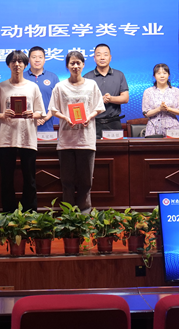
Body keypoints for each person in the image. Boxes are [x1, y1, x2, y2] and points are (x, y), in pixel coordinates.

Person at [0, 50, 45, 212]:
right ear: (8, 65)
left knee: (30, 178)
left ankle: (30, 212)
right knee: (6, 179)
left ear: (25, 65)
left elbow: (41, 112)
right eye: (13, 61)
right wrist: (3, 115)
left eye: (20, 62)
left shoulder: (33, 87)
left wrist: (32, 114)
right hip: (7, 139)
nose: (17, 64)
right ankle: (8, 212)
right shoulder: (0, 87)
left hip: (28, 138)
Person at [49, 51, 105, 212]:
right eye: (72, 63)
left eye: (78, 63)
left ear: (83, 65)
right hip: (66, 140)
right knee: (67, 181)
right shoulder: (60, 86)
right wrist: (65, 118)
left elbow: (99, 107)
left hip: (86, 139)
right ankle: (69, 213)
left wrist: (89, 117)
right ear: (67, 66)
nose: (75, 66)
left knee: (86, 181)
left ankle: (85, 212)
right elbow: (53, 109)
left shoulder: (91, 85)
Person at [84, 43, 129, 139]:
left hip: (114, 123)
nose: (102, 58)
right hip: (93, 123)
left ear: (110, 57)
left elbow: (125, 98)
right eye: (98, 55)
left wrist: (110, 99)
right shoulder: (87, 77)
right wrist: (99, 100)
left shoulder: (119, 75)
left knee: (116, 148)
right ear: (94, 58)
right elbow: (83, 101)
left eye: (105, 54)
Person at [142, 63, 179, 136]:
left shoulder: (175, 91)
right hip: (153, 129)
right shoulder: (148, 92)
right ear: (154, 76)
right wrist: (159, 109)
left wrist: (168, 109)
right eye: (159, 73)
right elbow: (146, 113)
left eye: (165, 73)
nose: (162, 76)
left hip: (172, 128)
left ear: (168, 75)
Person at [24, 46, 57, 132]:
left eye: (40, 57)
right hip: (25, 126)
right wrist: (32, 117)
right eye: (34, 57)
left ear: (44, 59)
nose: (37, 60)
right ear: (29, 60)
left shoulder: (53, 77)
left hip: (47, 126)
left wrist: (45, 118)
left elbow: (57, 102)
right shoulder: (22, 77)